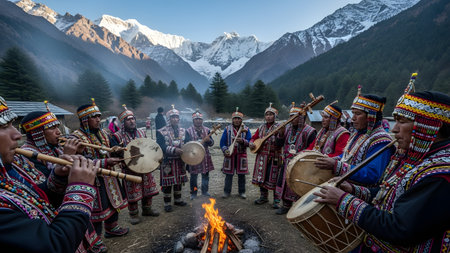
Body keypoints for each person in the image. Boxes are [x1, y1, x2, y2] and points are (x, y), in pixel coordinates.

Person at [315, 90, 450, 252]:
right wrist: (353, 190)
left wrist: (345, 201)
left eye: (403, 121)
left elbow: (401, 228)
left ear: (432, 126)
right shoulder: (415, 157)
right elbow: (388, 194)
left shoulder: (441, 174)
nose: (395, 129)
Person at [0, 96, 100, 252]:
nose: (18, 134)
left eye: (12, 124)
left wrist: (58, 177)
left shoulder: (8, 166)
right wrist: (79, 189)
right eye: (4, 126)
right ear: (39, 133)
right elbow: (52, 245)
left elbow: (33, 198)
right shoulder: (26, 154)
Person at [71, 98, 129, 242]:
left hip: (109, 176)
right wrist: (105, 161)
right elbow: (79, 161)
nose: (98, 119)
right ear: (85, 120)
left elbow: (110, 150)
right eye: (94, 117)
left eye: (99, 116)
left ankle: (112, 228)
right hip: (92, 179)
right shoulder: (76, 138)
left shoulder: (104, 133)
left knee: (113, 204)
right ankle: (95, 240)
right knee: (96, 212)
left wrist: (117, 151)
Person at [315, 88, 395, 186]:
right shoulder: (358, 134)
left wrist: (336, 165)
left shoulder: (381, 141)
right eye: (353, 113)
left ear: (371, 116)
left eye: (358, 114)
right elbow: (347, 157)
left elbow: (372, 175)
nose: (353, 118)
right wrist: (331, 160)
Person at [110, 105, 159, 225]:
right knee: (133, 191)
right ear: (123, 123)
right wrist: (119, 151)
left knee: (148, 188)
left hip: (145, 165)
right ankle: (134, 214)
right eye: (128, 119)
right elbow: (114, 153)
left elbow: (149, 147)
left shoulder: (142, 132)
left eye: (133, 119)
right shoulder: (116, 136)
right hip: (130, 168)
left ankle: (147, 209)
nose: (132, 121)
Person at [275, 103, 317, 215]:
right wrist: (280, 134)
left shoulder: (310, 131)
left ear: (301, 117)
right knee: (285, 183)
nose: (291, 119)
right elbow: (278, 144)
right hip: (287, 163)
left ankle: (299, 208)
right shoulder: (287, 129)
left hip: (300, 165)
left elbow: (311, 149)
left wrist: (299, 157)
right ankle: (285, 206)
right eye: (290, 116)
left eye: (294, 116)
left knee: (298, 186)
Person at [249, 103, 282, 208]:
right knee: (261, 177)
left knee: (274, 178)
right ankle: (263, 197)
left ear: (275, 116)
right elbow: (254, 138)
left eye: (271, 114)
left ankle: (276, 200)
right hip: (262, 156)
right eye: (266, 114)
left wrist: (280, 135)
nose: (268, 116)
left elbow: (281, 142)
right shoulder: (261, 127)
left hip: (274, 157)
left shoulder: (279, 127)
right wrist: (251, 142)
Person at [156, 105, 188, 212]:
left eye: (177, 117)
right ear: (168, 119)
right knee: (168, 183)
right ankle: (167, 203)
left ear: (179, 119)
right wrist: (174, 150)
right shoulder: (161, 131)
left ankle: (178, 200)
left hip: (180, 160)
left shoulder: (184, 131)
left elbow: (188, 143)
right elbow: (160, 145)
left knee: (178, 181)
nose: (175, 119)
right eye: (172, 117)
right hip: (167, 161)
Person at [220, 108, 251, 199]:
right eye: (235, 118)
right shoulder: (227, 129)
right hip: (230, 155)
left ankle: (242, 192)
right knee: (228, 175)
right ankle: (226, 191)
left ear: (241, 120)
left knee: (241, 175)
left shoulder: (246, 129)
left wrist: (243, 141)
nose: (236, 120)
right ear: (232, 120)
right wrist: (225, 150)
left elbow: (250, 141)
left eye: (238, 118)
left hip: (241, 155)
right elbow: (222, 142)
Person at [185, 110, 214, 200]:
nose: (198, 121)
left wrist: (209, 141)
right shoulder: (188, 131)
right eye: (196, 119)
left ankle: (205, 191)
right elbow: (186, 144)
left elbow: (212, 143)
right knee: (194, 175)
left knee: (205, 174)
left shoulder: (207, 130)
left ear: (202, 120)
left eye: (200, 119)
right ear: (193, 121)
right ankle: (194, 193)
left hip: (205, 155)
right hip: (193, 156)